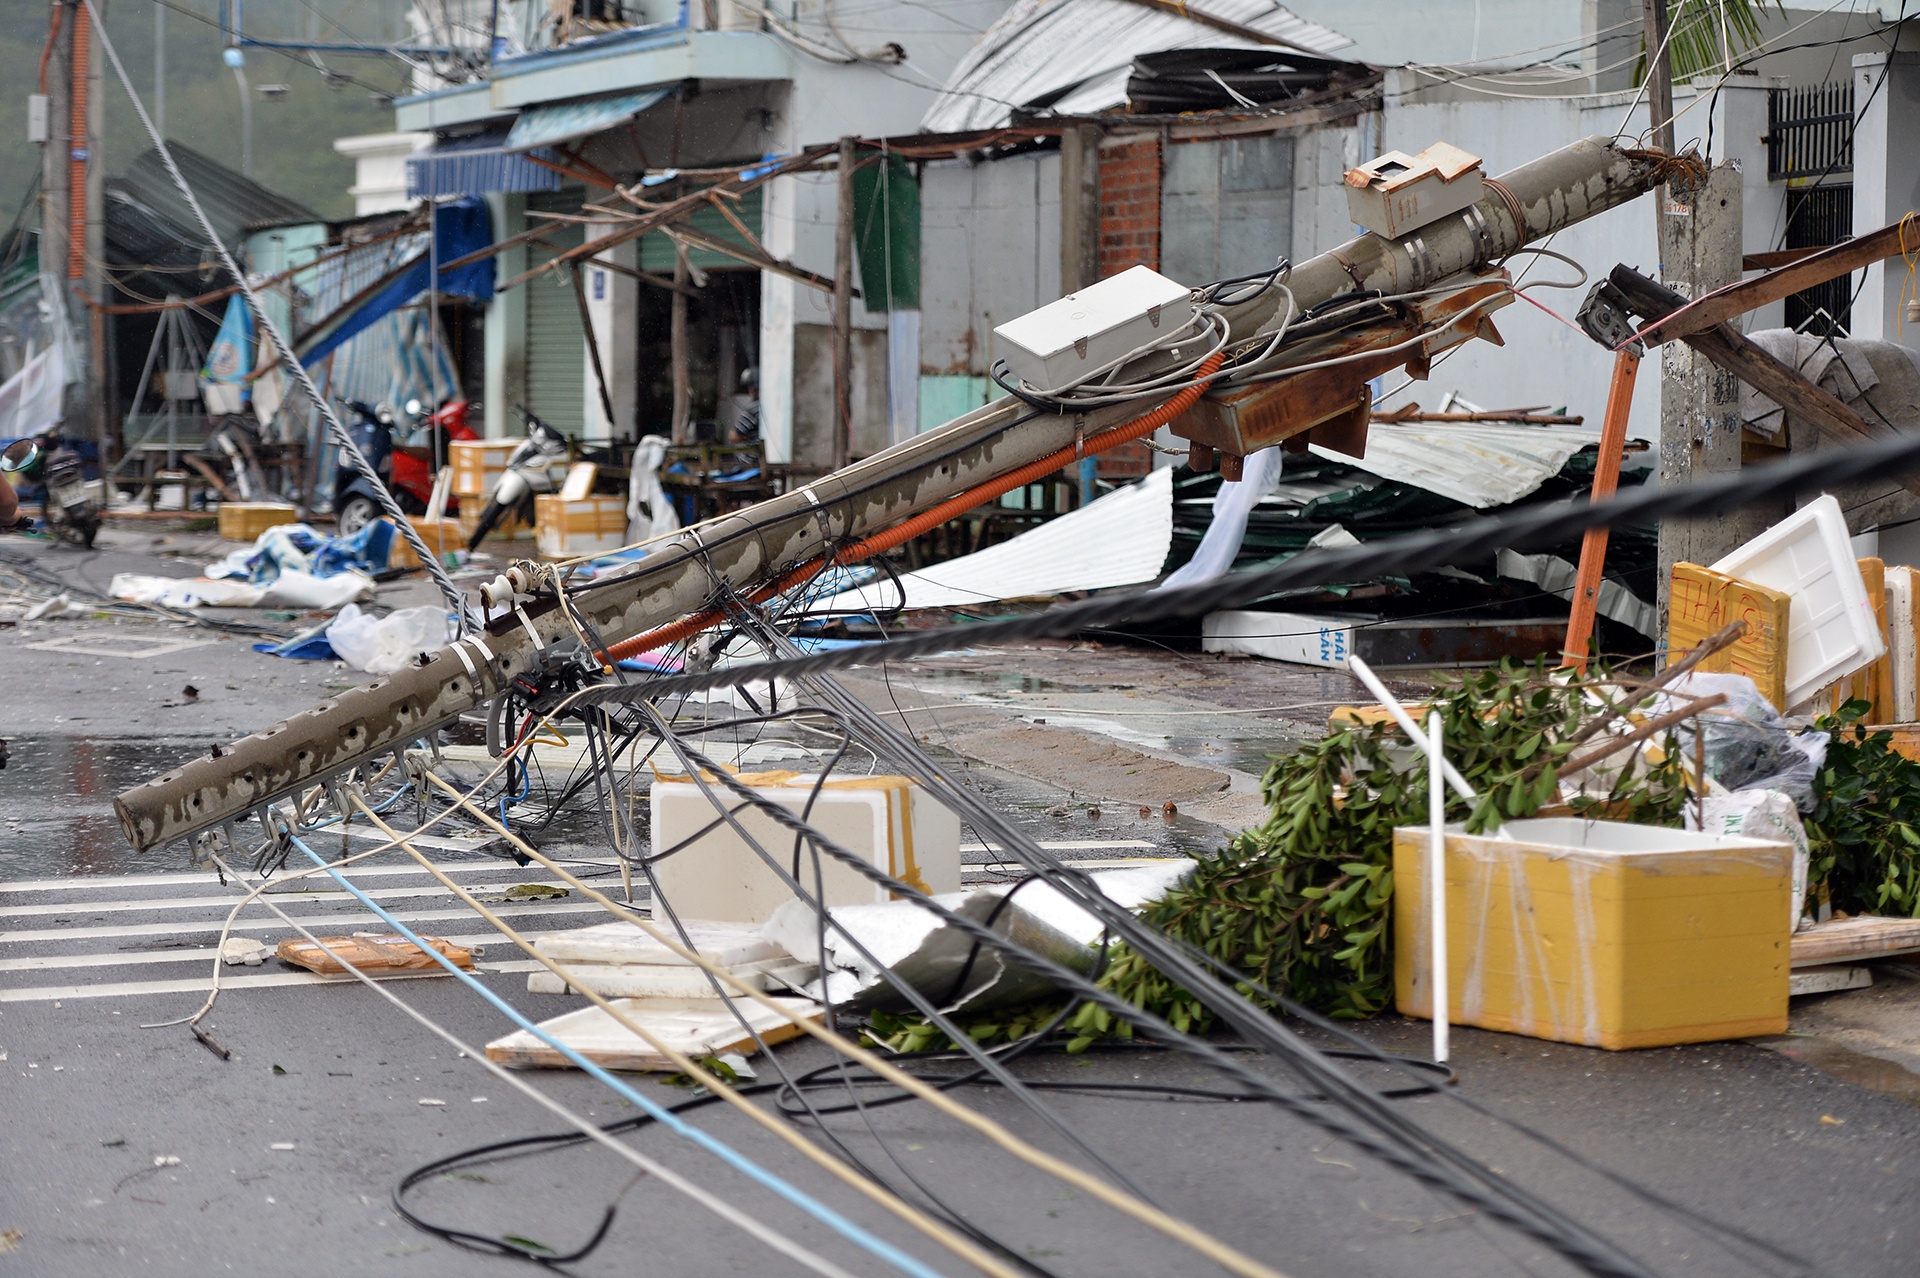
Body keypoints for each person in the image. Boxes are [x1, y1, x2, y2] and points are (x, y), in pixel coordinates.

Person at [729, 367, 761, 444]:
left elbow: (733, 436)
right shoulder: (772, 407)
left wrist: (746, 437)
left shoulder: (753, 409)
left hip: (751, 454)